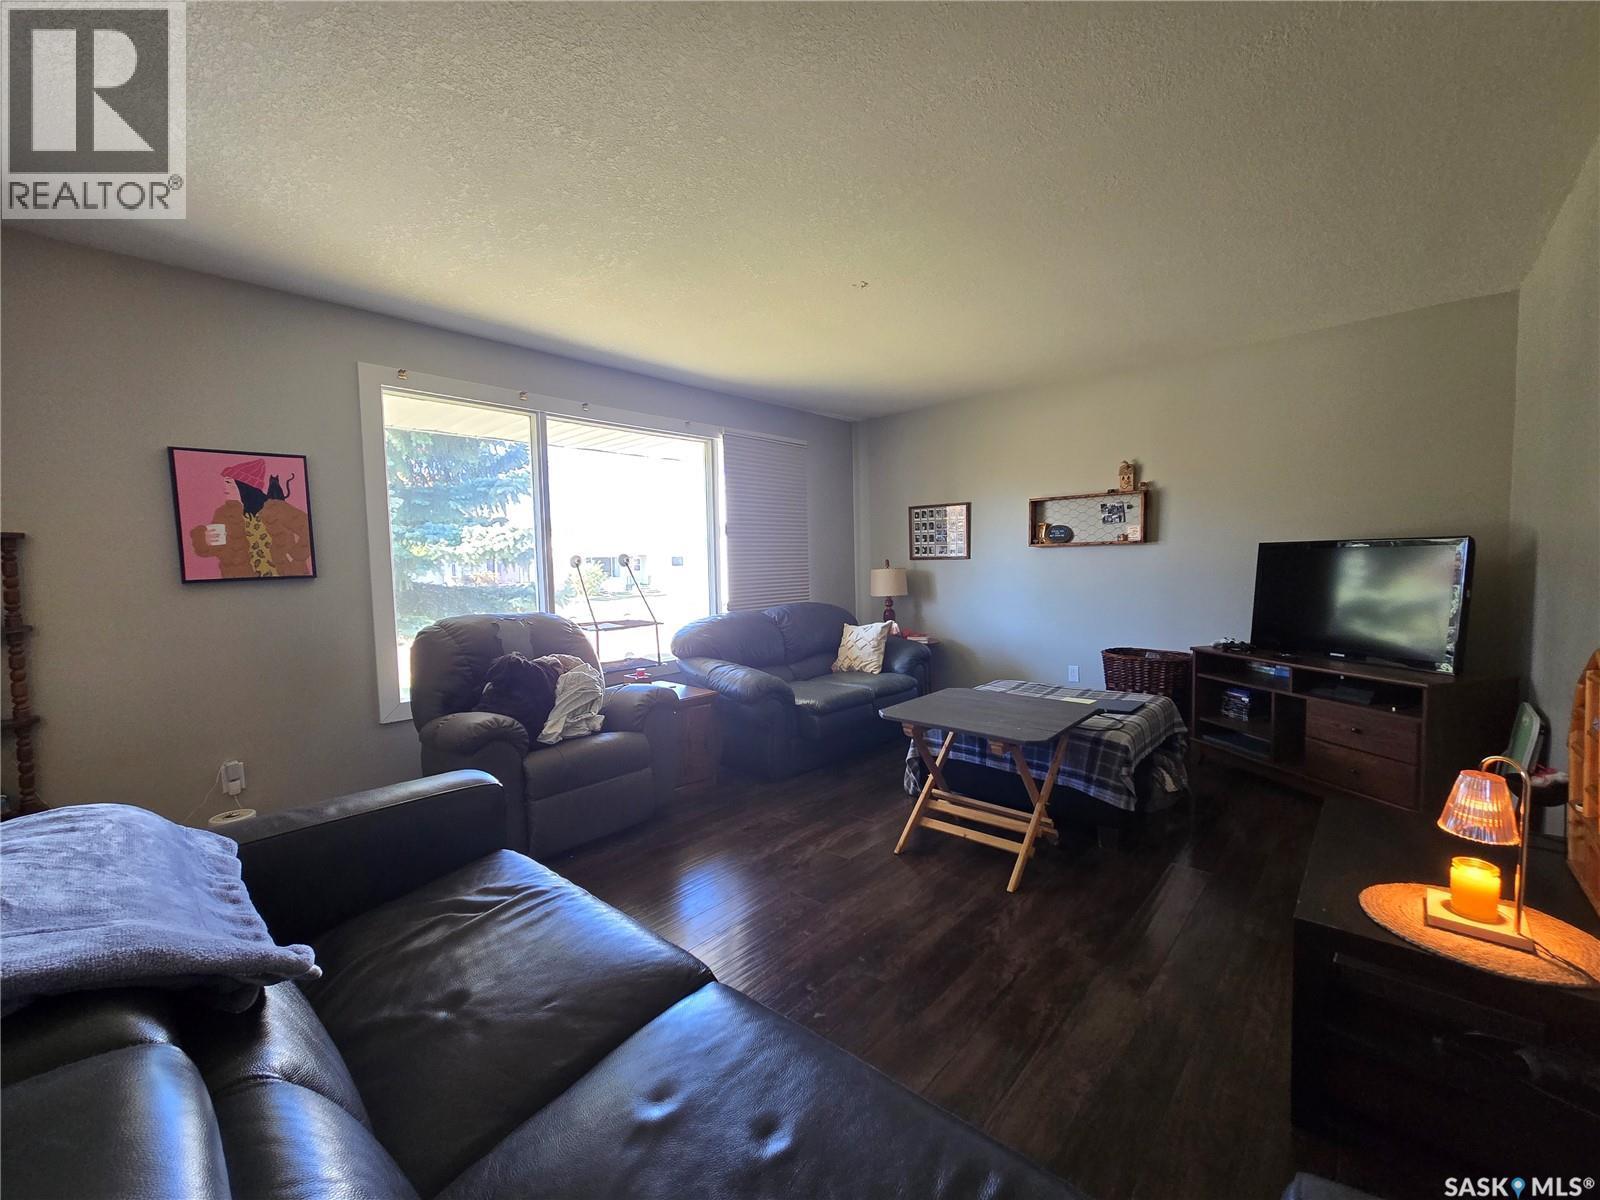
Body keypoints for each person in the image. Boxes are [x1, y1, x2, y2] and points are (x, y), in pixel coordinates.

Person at [188, 458, 312, 578]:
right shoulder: (223, 514)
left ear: (244, 487)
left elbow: (307, 527)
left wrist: (295, 555)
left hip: (285, 580)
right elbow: (218, 551)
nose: (225, 488)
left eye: (229, 483)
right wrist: (204, 541)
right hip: (243, 587)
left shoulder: (276, 508)